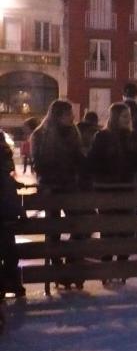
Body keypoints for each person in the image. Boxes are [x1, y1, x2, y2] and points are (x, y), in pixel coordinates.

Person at [86, 102, 137, 286]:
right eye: (124, 116)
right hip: (107, 191)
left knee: (126, 231)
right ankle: (107, 267)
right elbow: (93, 161)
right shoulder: (102, 137)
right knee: (108, 230)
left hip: (128, 190)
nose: (128, 120)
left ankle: (122, 267)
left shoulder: (133, 137)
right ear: (115, 118)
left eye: (129, 116)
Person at [30, 100, 85, 279]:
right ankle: (56, 265)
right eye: (69, 114)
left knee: (78, 225)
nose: (73, 117)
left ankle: (69, 260)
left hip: (69, 186)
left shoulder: (73, 132)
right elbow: (39, 163)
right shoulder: (41, 135)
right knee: (54, 228)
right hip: (50, 188)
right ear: (58, 115)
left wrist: (84, 169)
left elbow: (79, 158)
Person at [0, 133, 25, 298]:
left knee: (9, 252)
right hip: (6, 217)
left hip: (6, 217)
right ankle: (10, 283)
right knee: (9, 252)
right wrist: (20, 212)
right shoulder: (4, 178)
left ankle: (9, 284)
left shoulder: (5, 177)